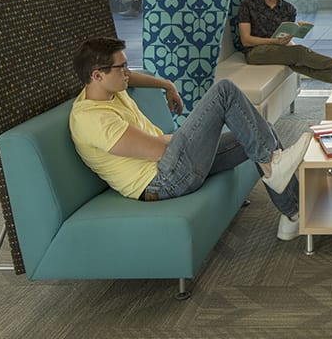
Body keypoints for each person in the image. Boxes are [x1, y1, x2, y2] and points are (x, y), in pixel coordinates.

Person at [69, 37, 309, 241]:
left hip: (172, 166)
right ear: (97, 75)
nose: (128, 72)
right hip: (162, 181)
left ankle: (293, 215)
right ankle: (275, 167)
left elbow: (134, 78)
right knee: (224, 92)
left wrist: (167, 85)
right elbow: (159, 150)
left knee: (258, 131)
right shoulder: (94, 120)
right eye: (122, 67)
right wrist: (197, 133)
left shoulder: (103, 90)